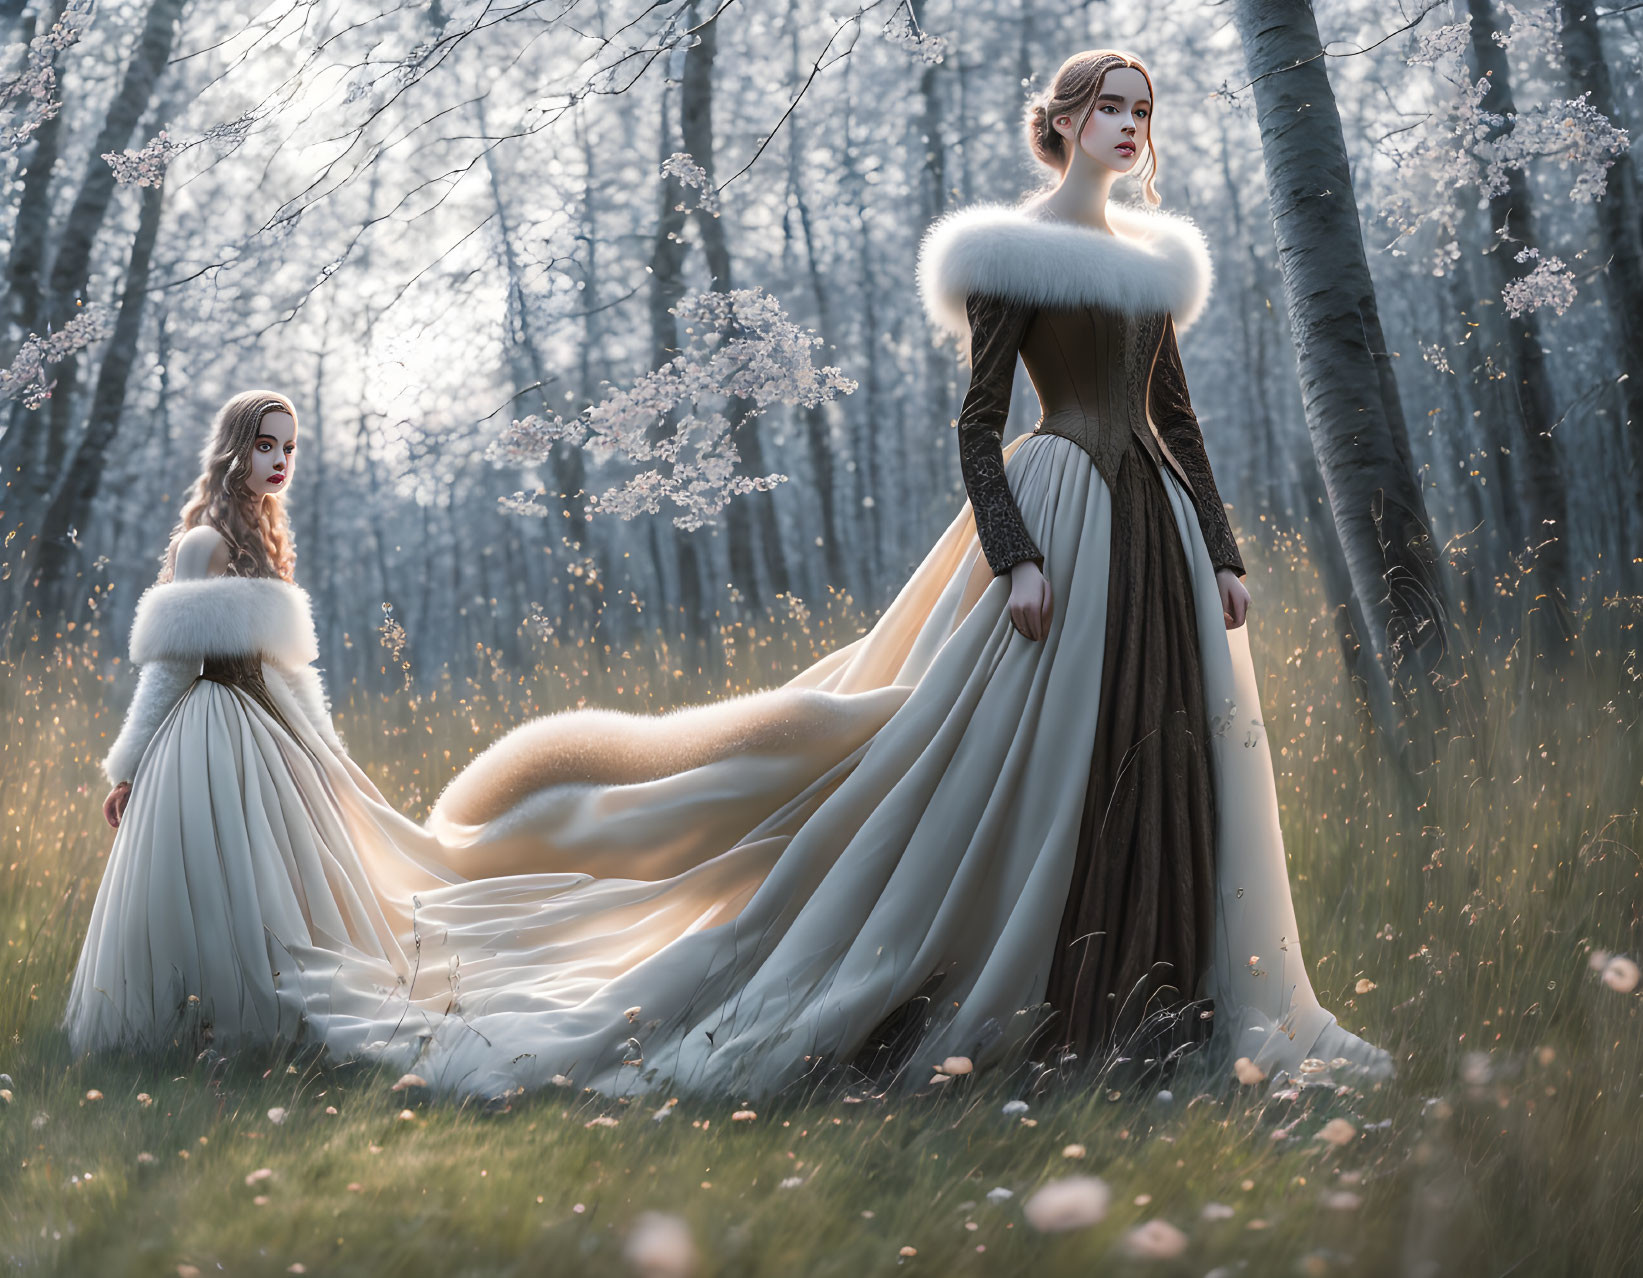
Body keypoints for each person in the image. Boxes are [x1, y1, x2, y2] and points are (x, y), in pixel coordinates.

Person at [67, 48, 1392, 1102]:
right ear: (1064, 120)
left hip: (1153, 530)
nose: (1128, 125)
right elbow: (976, 427)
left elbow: (1181, 418)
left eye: (1141, 110)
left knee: (1168, 752)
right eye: (1109, 104)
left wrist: (1218, 548)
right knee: (1022, 775)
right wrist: (1019, 556)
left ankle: (1166, 998)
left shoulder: (1157, 265)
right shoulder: (1009, 255)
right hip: (1053, 520)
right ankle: (1050, 995)